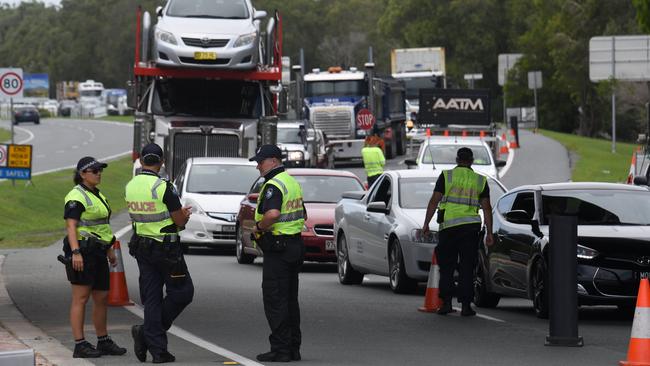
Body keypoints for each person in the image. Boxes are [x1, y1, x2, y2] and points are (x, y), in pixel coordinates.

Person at [125, 143, 194, 364]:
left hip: (143, 248)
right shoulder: (164, 186)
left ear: (142, 161)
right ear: (162, 161)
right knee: (183, 292)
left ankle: (158, 350)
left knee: (152, 299)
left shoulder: (131, 185)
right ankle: (147, 333)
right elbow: (179, 220)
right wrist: (184, 215)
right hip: (167, 250)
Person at [63, 156, 127, 358]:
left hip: (99, 251)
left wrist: (109, 249)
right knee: (80, 298)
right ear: (82, 174)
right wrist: (75, 252)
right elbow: (71, 226)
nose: (99, 173)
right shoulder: (76, 196)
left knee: (101, 297)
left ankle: (103, 340)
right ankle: (80, 344)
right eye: (94, 170)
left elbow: (101, 226)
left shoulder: (97, 194)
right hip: (83, 251)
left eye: (100, 170)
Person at [250, 145, 306, 362]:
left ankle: (281, 349)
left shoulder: (273, 185)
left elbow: (272, 214)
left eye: (260, 161)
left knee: (275, 299)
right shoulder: (291, 182)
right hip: (294, 246)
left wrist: (259, 228)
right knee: (290, 299)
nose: (258, 166)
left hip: (279, 248)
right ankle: (293, 347)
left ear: (273, 161)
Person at [422, 147, 494, 316]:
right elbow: (487, 208)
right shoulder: (480, 180)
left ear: (457, 159)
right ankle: (466, 306)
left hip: (448, 228)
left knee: (446, 266)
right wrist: (489, 233)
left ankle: (446, 303)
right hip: (470, 229)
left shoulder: (446, 176)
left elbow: (434, 201)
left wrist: (426, 224)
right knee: (467, 267)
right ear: (472, 160)